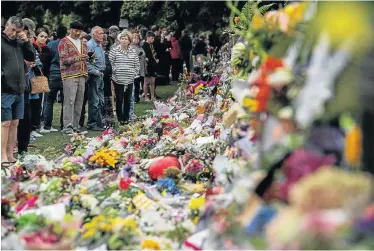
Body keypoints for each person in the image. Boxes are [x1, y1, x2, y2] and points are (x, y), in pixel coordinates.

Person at [1, 16, 35, 165]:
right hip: (5, 89)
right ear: (6, 25)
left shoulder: (19, 43)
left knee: (15, 122)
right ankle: (2, 155)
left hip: (20, 88)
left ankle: (10, 153)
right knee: (5, 123)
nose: (15, 33)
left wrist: (26, 41)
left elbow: (31, 57)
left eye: (18, 31)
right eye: (13, 30)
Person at [58, 20, 88, 135]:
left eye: (80, 31)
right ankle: (67, 127)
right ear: (70, 29)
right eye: (76, 30)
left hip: (82, 74)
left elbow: (84, 57)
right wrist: (78, 58)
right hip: (69, 74)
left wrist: (89, 57)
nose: (78, 33)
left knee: (79, 102)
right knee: (69, 101)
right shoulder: (63, 42)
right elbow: (64, 60)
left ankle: (76, 127)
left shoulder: (83, 42)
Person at [41, 25, 67, 133]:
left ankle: (47, 125)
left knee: (49, 100)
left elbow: (46, 60)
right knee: (65, 101)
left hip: (53, 73)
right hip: (65, 74)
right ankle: (64, 124)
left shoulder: (51, 44)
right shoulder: (67, 44)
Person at [109, 32, 139, 125]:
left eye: (126, 39)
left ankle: (126, 118)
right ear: (119, 39)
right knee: (119, 99)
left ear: (129, 41)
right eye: (122, 38)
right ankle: (120, 118)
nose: (124, 40)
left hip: (130, 79)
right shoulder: (114, 50)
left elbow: (137, 64)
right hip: (118, 79)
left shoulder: (133, 51)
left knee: (128, 99)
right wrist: (116, 72)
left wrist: (134, 73)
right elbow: (111, 63)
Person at [30, 28, 52, 137]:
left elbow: (47, 65)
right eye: (41, 36)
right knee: (33, 104)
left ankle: (37, 125)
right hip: (32, 77)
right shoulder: (32, 47)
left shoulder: (46, 49)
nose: (43, 38)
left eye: (45, 37)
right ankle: (33, 127)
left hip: (42, 79)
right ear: (36, 36)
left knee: (39, 103)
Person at [86, 26, 106, 131]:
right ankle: (92, 123)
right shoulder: (90, 45)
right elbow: (87, 62)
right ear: (93, 34)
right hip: (94, 76)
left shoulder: (99, 44)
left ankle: (99, 122)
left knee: (100, 100)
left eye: (103, 33)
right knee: (94, 100)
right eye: (100, 33)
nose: (102, 35)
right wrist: (95, 72)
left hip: (100, 75)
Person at [101, 34, 115, 128]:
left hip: (106, 78)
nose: (105, 42)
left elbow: (110, 66)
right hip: (100, 78)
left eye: (106, 40)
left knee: (107, 99)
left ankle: (109, 121)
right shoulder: (97, 51)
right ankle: (102, 120)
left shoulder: (108, 53)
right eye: (103, 40)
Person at [78, 33, 91, 129]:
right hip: (78, 77)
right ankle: (77, 122)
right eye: (83, 41)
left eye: (87, 41)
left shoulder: (89, 51)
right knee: (78, 101)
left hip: (87, 79)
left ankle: (81, 122)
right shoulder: (78, 50)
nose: (85, 43)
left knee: (83, 102)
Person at [142, 31, 158, 101]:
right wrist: (146, 59)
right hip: (147, 66)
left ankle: (152, 96)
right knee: (146, 82)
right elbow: (142, 56)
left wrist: (156, 59)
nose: (153, 40)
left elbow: (154, 54)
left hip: (153, 65)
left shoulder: (152, 45)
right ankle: (146, 97)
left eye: (153, 38)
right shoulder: (144, 45)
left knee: (153, 82)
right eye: (152, 38)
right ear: (148, 37)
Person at [131, 32, 146, 104]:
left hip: (142, 67)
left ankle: (138, 98)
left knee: (140, 83)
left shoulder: (140, 47)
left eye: (138, 38)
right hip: (135, 68)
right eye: (135, 38)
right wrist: (138, 56)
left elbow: (143, 55)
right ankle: (135, 98)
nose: (137, 40)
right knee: (136, 84)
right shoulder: (131, 47)